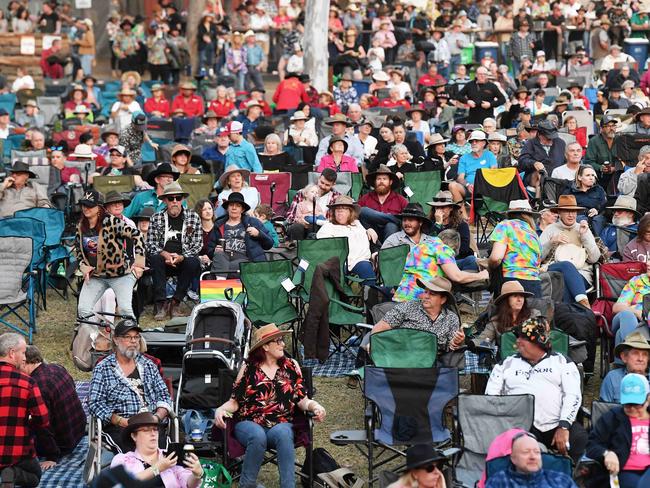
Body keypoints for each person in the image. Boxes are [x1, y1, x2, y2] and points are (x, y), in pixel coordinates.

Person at [214, 324, 326, 488]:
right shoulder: (248, 368)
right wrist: (220, 409)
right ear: (265, 346)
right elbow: (234, 402)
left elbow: (302, 399)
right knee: (257, 436)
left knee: (284, 433)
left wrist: (315, 406)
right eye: (278, 341)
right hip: (249, 424)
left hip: (280, 424)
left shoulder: (291, 366)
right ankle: (247, 485)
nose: (283, 344)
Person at [486, 317, 586, 462]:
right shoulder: (506, 364)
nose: (517, 342)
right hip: (518, 426)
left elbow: (573, 395)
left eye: (523, 338)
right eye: (517, 337)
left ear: (538, 342)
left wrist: (564, 426)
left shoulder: (562, 362)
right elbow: (490, 397)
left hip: (556, 424)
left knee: (580, 441)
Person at [88, 320, 172, 454]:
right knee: (133, 456)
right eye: (128, 337)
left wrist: (157, 418)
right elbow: (94, 403)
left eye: (136, 337)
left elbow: (164, 395)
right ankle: (142, 473)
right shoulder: (103, 368)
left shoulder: (149, 365)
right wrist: (121, 421)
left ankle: (154, 473)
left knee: (160, 452)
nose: (133, 341)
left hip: (150, 423)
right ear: (116, 340)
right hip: (120, 426)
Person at [74, 190, 144, 320]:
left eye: (89, 205)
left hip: (121, 274)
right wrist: (84, 266)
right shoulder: (80, 226)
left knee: (125, 310)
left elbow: (137, 235)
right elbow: (78, 250)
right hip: (96, 275)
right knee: (83, 310)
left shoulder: (112, 222)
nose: (85, 208)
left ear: (99, 207)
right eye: (83, 205)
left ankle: (132, 338)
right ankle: (94, 337)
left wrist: (139, 264)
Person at [22, 345, 85, 470]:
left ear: (25, 363)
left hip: (62, 444)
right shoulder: (57, 367)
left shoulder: (38, 386)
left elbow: (42, 424)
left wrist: (52, 456)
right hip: (78, 431)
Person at [146, 182, 202, 320]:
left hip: (183, 260)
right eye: (171, 198)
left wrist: (182, 257)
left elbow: (198, 244)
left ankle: (175, 302)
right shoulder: (156, 217)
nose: (175, 201)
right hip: (162, 259)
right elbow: (150, 243)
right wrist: (164, 253)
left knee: (193, 261)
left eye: (178, 198)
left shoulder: (193, 217)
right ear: (165, 200)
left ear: (182, 199)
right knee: (154, 258)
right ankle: (161, 303)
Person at [0, 333, 49, 487]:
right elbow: (43, 419)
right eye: (22, 353)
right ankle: (12, 474)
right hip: (16, 451)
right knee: (34, 476)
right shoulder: (26, 382)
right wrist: (26, 421)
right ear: (11, 353)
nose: (24, 358)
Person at [371, 276, 465, 354]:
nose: (426, 296)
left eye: (432, 294)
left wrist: (457, 342)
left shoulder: (451, 318)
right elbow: (381, 326)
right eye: (425, 292)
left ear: (443, 300)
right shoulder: (408, 307)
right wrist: (373, 343)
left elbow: (451, 347)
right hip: (401, 356)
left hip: (433, 364)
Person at [587, 373, 650, 488]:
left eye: (637, 405)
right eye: (627, 405)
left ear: (648, 399)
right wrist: (606, 453)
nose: (632, 409)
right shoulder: (613, 418)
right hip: (625, 472)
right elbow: (592, 445)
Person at [110, 412, 203, 487]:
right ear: (134, 436)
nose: (153, 433)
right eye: (146, 430)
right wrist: (157, 469)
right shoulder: (123, 459)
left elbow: (188, 484)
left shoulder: (169, 457)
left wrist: (196, 475)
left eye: (155, 429)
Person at [394, 229, 489, 302]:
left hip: (401, 296)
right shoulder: (443, 249)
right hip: (421, 298)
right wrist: (480, 275)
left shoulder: (418, 247)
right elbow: (457, 276)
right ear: (453, 245)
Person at [540, 195, 600, 307]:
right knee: (566, 266)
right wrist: (551, 242)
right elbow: (537, 258)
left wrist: (584, 236)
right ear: (559, 212)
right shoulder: (550, 229)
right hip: (554, 270)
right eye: (567, 211)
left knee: (565, 283)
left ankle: (566, 318)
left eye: (574, 211)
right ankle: (585, 307)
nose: (571, 215)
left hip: (580, 273)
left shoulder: (583, 228)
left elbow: (594, 258)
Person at [208, 192, 273, 274]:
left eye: (238, 206)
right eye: (231, 205)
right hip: (222, 259)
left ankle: (220, 277)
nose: (234, 208)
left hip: (246, 261)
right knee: (219, 258)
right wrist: (214, 250)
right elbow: (210, 249)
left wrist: (258, 234)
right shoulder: (218, 224)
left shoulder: (253, 222)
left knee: (222, 270)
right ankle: (222, 277)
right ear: (227, 208)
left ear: (242, 209)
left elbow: (269, 244)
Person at [316, 195, 375, 286]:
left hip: (359, 260)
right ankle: (341, 298)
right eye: (337, 209)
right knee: (337, 270)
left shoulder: (357, 224)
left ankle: (369, 298)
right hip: (338, 261)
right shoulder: (328, 227)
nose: (340, 212)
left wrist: (369, 230)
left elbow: (366, 237)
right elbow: (324, 248)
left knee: (366, 269)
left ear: (351, 212)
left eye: (344, 209)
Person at [487, 200, 542, 295]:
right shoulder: (533, 233)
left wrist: (489, 266)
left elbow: (496, 258)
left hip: (511, 281)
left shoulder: (505, 225)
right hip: (534, 283)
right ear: (529, 216)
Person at [485, 431, 578, 487]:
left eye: (537, 452)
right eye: (526, 452)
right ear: (513, 458)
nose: (533, 457)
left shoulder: (561, 480)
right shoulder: (498, 481)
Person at [286, 169, 340, 241]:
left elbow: (337, 219)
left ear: (333, 184)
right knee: (296, 228)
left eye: (327, 185)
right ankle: (297, 250)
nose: (323, 186)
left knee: (315, 228)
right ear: (319, 179)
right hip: (301, 226)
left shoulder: (336, 197)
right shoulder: (303, 193)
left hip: (322, 228)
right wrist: (299, 220)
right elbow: (290, 216)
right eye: (322, 182)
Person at [358, 164, 408, 242]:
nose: (381, 182)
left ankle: (386, 252)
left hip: (392, 235)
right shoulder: (365, 198)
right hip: (371, 235)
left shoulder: (401, 200)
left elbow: (408, 219)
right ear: (375, 182)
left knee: (391, 225)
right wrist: (368, 229)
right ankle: (394, 219)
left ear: (390, 182)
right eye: (378, 179)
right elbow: (355, 218)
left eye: (384, 179)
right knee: (362, 210)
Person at [449, 130, 497, 205]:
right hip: (469, 188)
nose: (474, 143)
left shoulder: (489, 155)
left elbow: (493, 172)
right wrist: (468, 185)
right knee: (452, 185)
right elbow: (460, 178)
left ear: (484, 143)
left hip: (486, 187)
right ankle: (463, 216)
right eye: (472, 141)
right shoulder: (464, 158)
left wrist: (480, 184)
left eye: (477, 141)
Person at [428, 191, 474, 269]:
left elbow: (464, 248)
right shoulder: (430, 224)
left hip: (455, 260)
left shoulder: (461, 224)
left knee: (471, 260)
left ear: (451, 208)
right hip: (435, 262)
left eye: (443, 207)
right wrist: (438, 224)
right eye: (437, 207)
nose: (439, 211)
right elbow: (428, 244)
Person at [600, 332, 650, 403]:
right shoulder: (613, 378)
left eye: (645, 354)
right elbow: (603, 409)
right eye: (635, 353)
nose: (640, 359)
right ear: (624, 357)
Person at [611, 261, 650, 345]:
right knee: (627, 315)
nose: (648, 263)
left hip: (644, 326)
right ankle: (634, 348)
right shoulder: (637, 280)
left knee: (619, 334)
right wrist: (637, 312)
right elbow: (617, 307)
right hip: (629, 319)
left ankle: (630, 352)